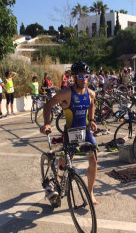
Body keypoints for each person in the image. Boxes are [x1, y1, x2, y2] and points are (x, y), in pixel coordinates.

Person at [40, 61, 99, 205]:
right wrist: (46, 123)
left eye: (86, 76)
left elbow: (92, 104)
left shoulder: (90, 93)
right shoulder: (66, 93)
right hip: (70, 132)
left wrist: (91, 119)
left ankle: (90, 193)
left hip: (85, 132)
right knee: (65, 162)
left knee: (93, 162)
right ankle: (59, 179)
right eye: (80, 76)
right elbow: (48, 105)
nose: (84, 79)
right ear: (73, 77)